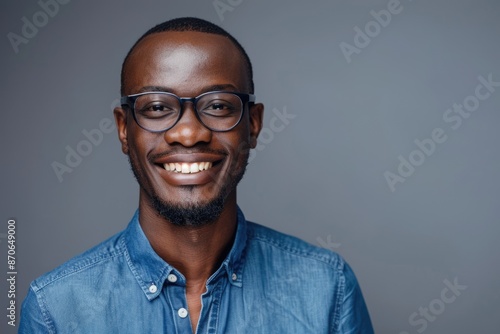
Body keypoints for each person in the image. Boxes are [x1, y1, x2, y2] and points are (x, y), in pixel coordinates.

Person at [20, 17, 374, 333]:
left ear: (253, 125)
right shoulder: (55, 310)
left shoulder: (327, 289)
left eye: (218, 105)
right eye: (157, 107)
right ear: (123, 129)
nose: (189, 133)